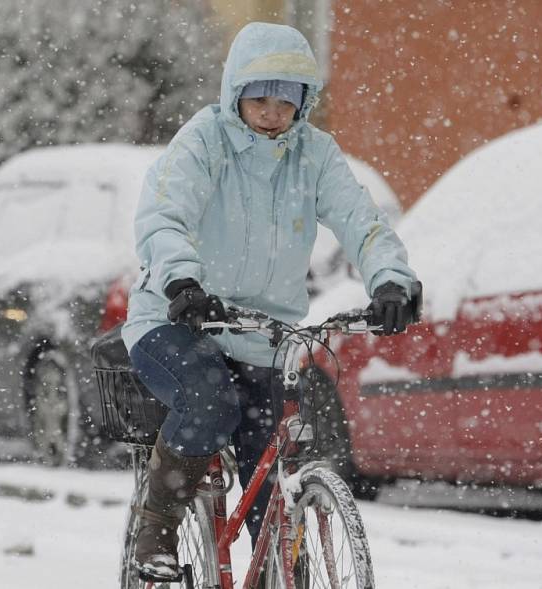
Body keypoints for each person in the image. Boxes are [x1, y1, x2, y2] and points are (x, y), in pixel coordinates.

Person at [121, 21, 419, 581]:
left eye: (287, 99)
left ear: (304, 101)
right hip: (177, 319)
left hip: (264, 333)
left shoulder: (315, 155)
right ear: (236, 92)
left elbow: (362, 221)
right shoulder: (203, 142)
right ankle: (155, 531)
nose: (272, 112)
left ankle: (281, 571)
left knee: (275, 454)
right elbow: (165, 216)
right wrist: (183, 282)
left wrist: (390, 281)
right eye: (259, 96)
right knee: (209, 399)